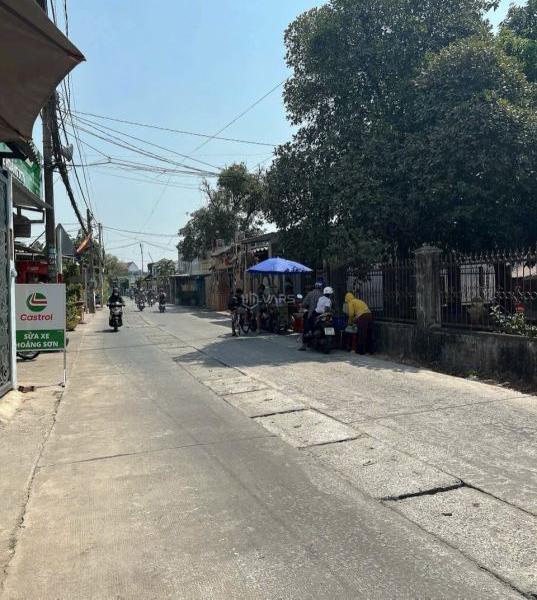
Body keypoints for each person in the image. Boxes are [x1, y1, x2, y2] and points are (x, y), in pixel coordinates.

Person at [299, 282, 324, 350]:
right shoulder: (323, 295)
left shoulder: (310, 294)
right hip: (323, 315)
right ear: (321, 288)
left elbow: (304, 304)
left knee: (306, 328)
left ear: (315, 287)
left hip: (312, 314)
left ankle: (304, 346)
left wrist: (302, 305)